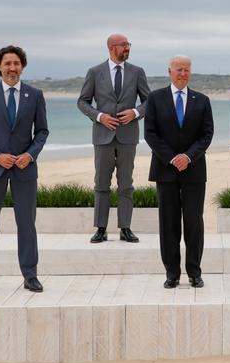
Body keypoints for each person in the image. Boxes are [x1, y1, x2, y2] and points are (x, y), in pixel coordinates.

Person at [0, 45, 49, 295]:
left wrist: (30, 155)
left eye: (16, 63)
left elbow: (42, 132)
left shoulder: (35, 95)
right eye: (7, 64)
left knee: (27, 224)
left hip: (25, 170)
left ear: (22, 67)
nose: (12, 68)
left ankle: (30, 275)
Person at [144, 55, 214, 289]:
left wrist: (188, 157)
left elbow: (207, 134)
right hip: (165, 170)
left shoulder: (202, 100)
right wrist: (173, 158)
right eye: (178, 69)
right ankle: (171, 273)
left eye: (186, 69)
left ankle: (194, 272)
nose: (183, 73)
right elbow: (150, 134)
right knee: (169, 223)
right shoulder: (155, 98)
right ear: (169, 71)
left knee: (194, 222)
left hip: (194, 171)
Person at [77, 33, 150, 244]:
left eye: (128, 45)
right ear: (111, 47)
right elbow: (82, 102)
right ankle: (101, 229)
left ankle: (125, 228)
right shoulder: (94, 72)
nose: (127, 48)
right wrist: (100, 116)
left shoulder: (137, 72)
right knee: (101, 183)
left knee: (126, 183)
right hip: (102, 136)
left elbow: (148, 101)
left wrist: (135, 113)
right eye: (124, 45)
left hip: (128, 136)